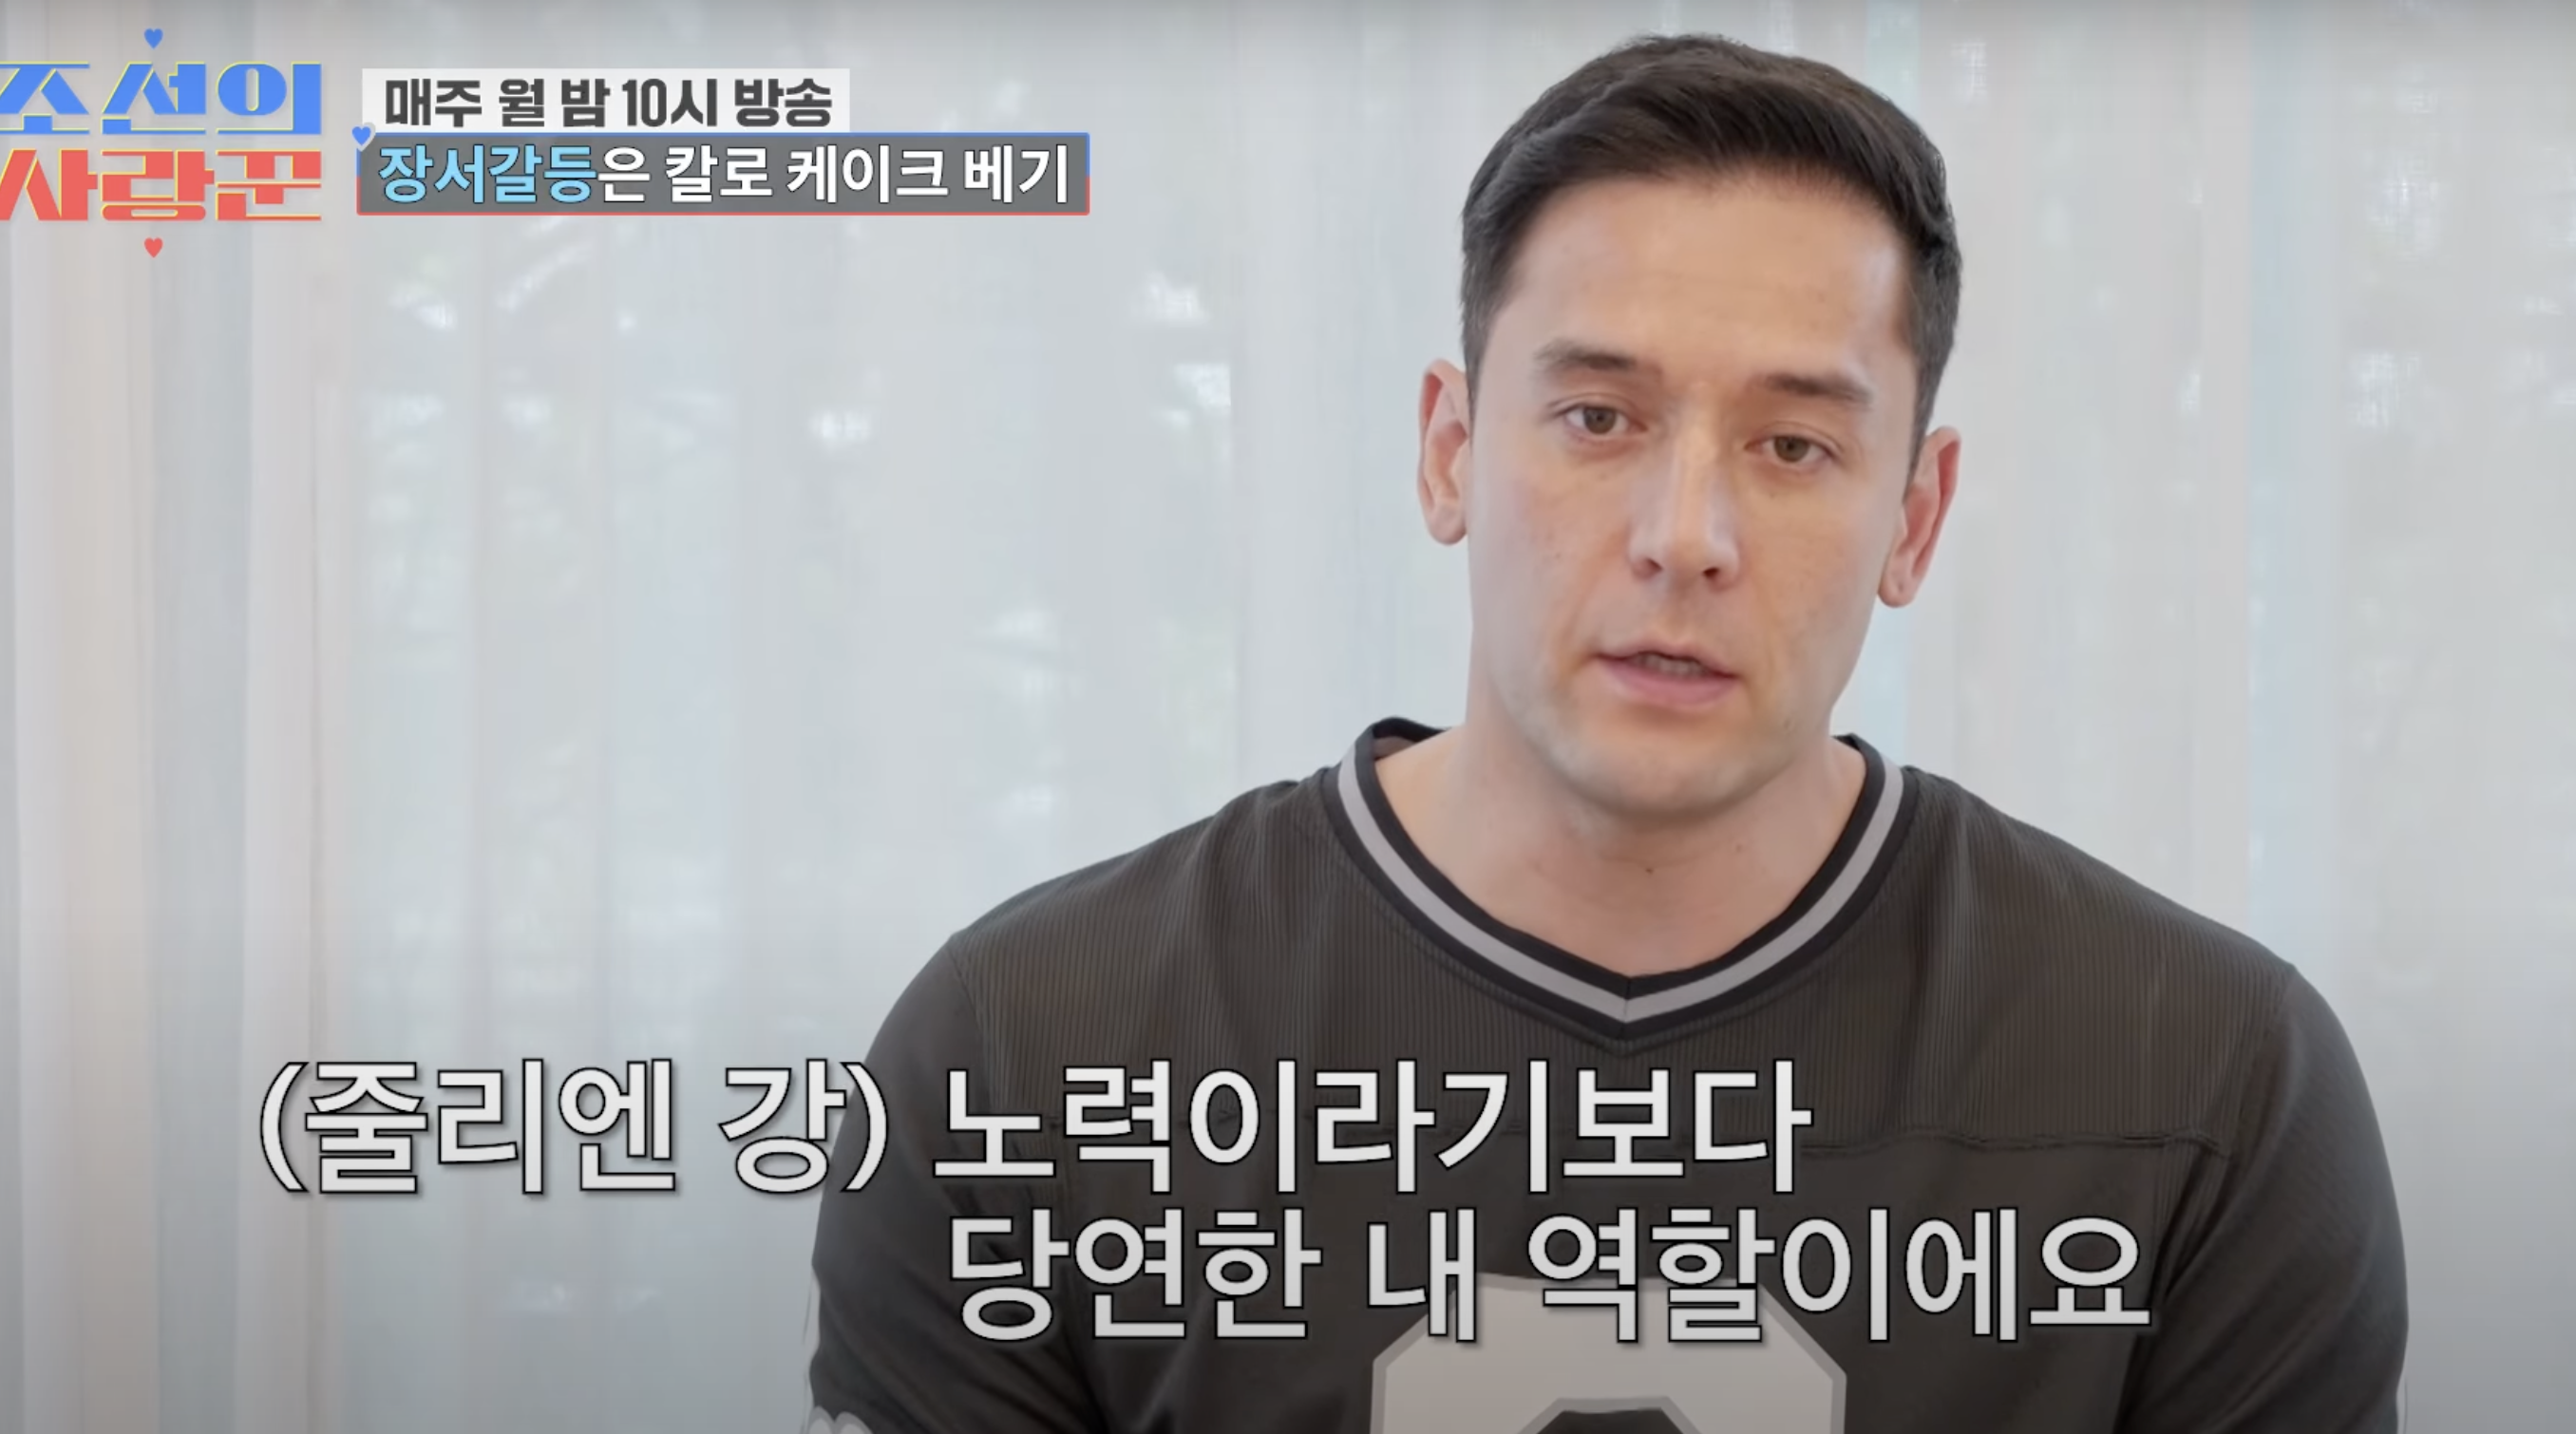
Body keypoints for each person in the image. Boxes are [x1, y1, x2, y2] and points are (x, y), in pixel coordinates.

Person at [805, 31, 2406, 1434]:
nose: (1683, 535)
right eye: (1597, 418)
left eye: (1793, 444)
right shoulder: (1020, 1058)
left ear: (1917, 517)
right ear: (1449, 451)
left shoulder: (2209, 1084)